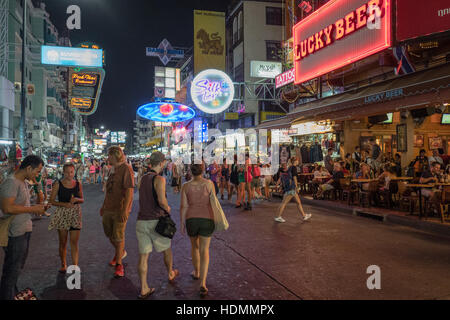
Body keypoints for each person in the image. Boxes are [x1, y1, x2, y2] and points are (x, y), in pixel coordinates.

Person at [0, 155, 48, 300]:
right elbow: (7, 208)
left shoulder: (23, 182)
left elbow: (21, 207)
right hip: (15, 233)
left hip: (23, 230)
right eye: (37, 171)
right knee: (11, 270)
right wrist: (33, 209)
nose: (38, 174)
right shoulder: (11, 182)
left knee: (16, 268)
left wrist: (36, 208)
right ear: (28, 168)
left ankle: (12, 294)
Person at [136, 152, 178, 299]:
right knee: (166, 250)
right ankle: (170, 273)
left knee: (143, 256)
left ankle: (143, 288)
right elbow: (161, 200)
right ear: (161, 163)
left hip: (141, 221)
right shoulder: (159, 179)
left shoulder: (142, 179)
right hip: (156, 221)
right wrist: (168, 208)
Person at [180, 164, 217, 297]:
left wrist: (182, 223)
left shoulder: (186, 186)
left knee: (194, 247)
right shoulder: (209, 184)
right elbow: (214, 201)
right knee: (204, 250)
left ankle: (196, 272)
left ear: (190, 171)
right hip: (207, 218)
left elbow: (183, 206)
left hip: (191, 219)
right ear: (203, 171)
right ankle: (203, 283)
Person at [100, 147, 135, 278]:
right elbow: (109, 189)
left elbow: (129, 191)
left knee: (118, 235)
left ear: (115, 156)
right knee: (109, 233)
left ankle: (119, 264)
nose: (107, 158)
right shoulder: (112, 169)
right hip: (108, 207)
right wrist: (103, 205)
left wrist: (125, 209)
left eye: (109, 156)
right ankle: (120, 252)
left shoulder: (126, 169)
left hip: (119, 208)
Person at [48, 163, 84, 273]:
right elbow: (51, 201)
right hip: (62, 214)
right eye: (67, 172)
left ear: (74, 172)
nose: (69, 174)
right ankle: (63, 264)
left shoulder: (78, 183)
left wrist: (76, 200)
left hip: (75, 214)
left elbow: (82, 199)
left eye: (72, 172)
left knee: (74, 242)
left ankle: (75, 266)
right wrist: (65, 204)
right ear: (63, 172)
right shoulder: (58, 184)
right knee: (63, 242)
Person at [274, 159, 311, 223]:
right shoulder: (293, 167)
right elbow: (294, 177)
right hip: (291, 188)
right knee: (284, 203)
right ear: (294, 161)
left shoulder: (288, 169)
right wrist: (296, 187)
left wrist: (277, 185)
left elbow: (281, 178)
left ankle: (304, 215)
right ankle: (278, 217)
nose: (298, 162)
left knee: (298, 202)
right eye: (297, 161)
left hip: (289, 188)